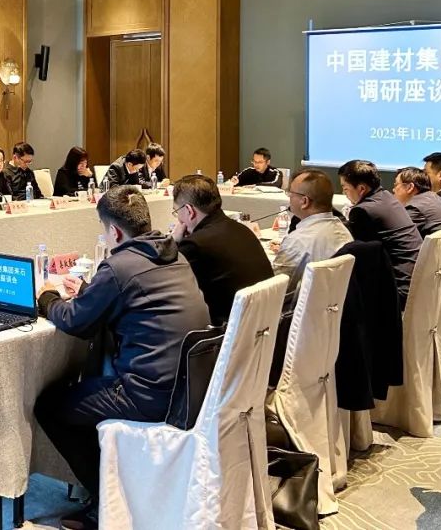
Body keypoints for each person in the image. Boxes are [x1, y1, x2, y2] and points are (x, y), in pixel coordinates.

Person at [33, 185, 210, 530]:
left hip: (148, 395)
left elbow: (75, 322)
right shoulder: (174, 255)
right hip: (191, 386)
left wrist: (48, 298)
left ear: (114, 231)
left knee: (50, 407)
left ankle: (106, 501)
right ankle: (118, 487)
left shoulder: (118, 266)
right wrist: (90, 292)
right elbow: (136, 298)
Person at [170, 174, 273, 324]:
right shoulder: (242, 229)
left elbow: (169, 287)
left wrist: (173, 243)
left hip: (225, 330)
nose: (178, 219)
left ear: (189, 211)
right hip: (264, 324)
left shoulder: (195, 245)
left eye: (176, 211)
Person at [338, 160, 423, 308]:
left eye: (345, 188)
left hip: (399, 289)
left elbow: (362, 256)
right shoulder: (387, 197)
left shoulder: (362, 211)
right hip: (417, 280)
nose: (344, 193)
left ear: (361, 189)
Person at [271, 169, 353, 292]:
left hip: (296, 304)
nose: (289, 198)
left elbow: (274, 290)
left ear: (304, 202)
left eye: (290, 193)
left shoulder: (297, 240)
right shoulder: (342, 230)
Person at [392, 166, 441, 237]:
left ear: (410, 187)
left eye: (396, 185)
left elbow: (396, 234)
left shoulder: (414, 207)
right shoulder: (435, 198)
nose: (393, 190)